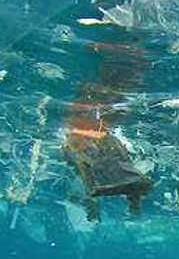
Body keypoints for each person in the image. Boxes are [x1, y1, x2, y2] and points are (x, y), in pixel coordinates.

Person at [64, 41, 153, 218]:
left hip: (91, 134)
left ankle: (117, 197)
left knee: (87, 140)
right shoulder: (93, 113)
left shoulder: (87, 115)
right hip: (92, 133)